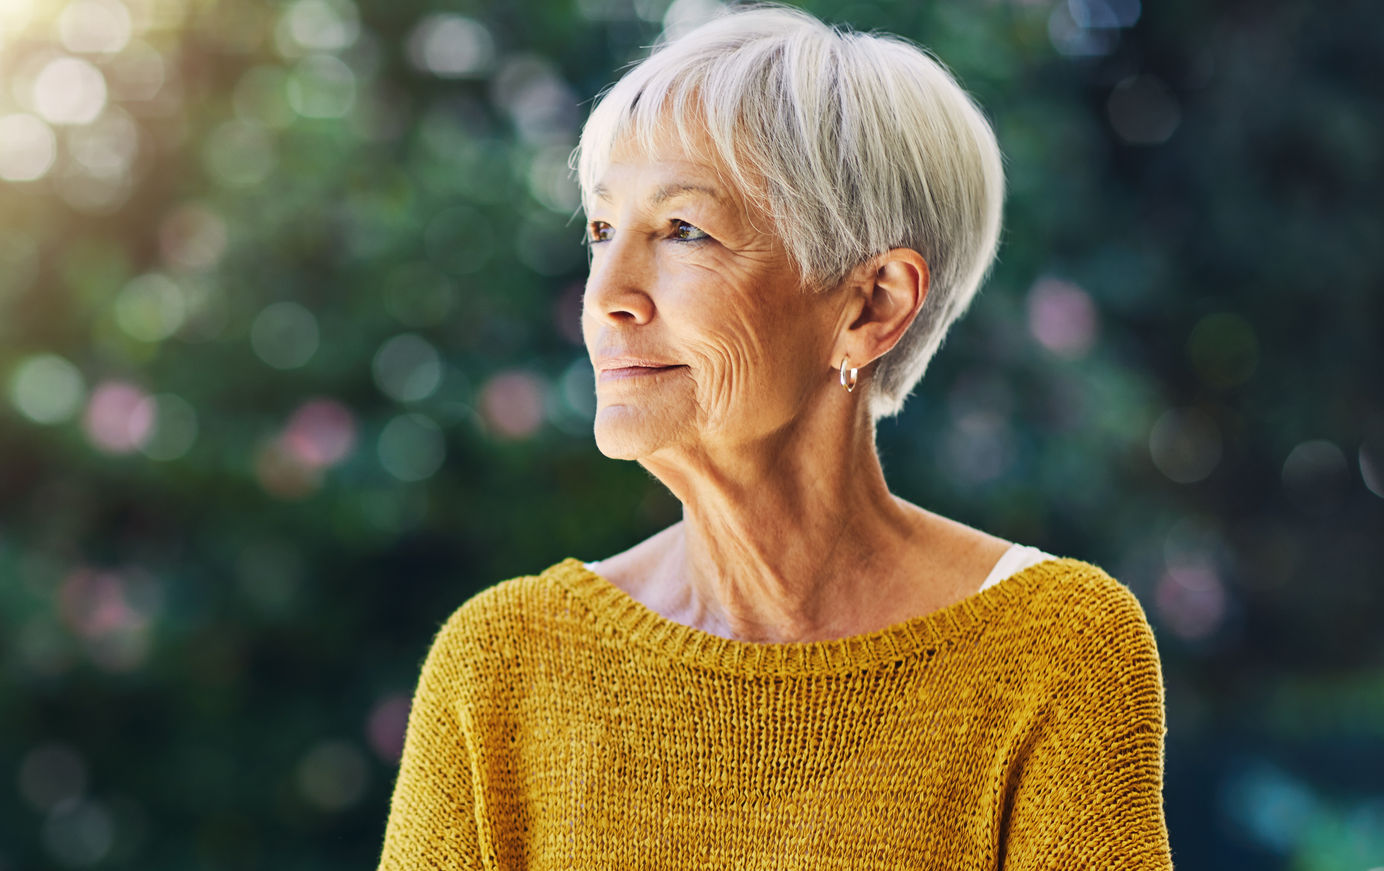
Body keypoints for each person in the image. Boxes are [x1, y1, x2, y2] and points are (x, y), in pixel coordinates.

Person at [376, 4, 1173, 868]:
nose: (606, 292)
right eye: (603, 230)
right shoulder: (499, 666)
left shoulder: (1054, 649)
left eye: (684, 230)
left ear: (874, 306)